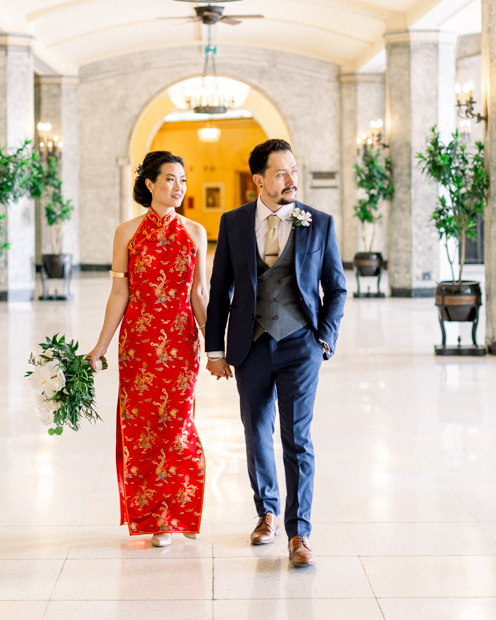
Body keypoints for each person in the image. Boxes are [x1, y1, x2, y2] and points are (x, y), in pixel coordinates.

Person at [204, 139, 346, 566]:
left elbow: (336, 287)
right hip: (250, 344)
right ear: (259, 179)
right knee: (255, 430)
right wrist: (215, 348)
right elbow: (220, 289)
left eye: (294, 171)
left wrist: (325, 337)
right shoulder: (233, 223)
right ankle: (265, 511)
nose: (291, 181)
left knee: (297, 438)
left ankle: (299, 533)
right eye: (282, 173)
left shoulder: (317, 223)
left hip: (301, 343)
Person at [85, 150, 208, 547]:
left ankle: (177, 510)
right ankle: (156, 519)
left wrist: (216, 346)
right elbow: (120, 290)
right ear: (150, 184)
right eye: (170, 179)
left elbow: (198, 293)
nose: (178, 187)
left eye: (183, 180)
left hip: (181, 343)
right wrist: (100, 346)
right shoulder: (127, 232)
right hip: (138, 345)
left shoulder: (195, 231)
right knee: (141, 430)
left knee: (177, 426)